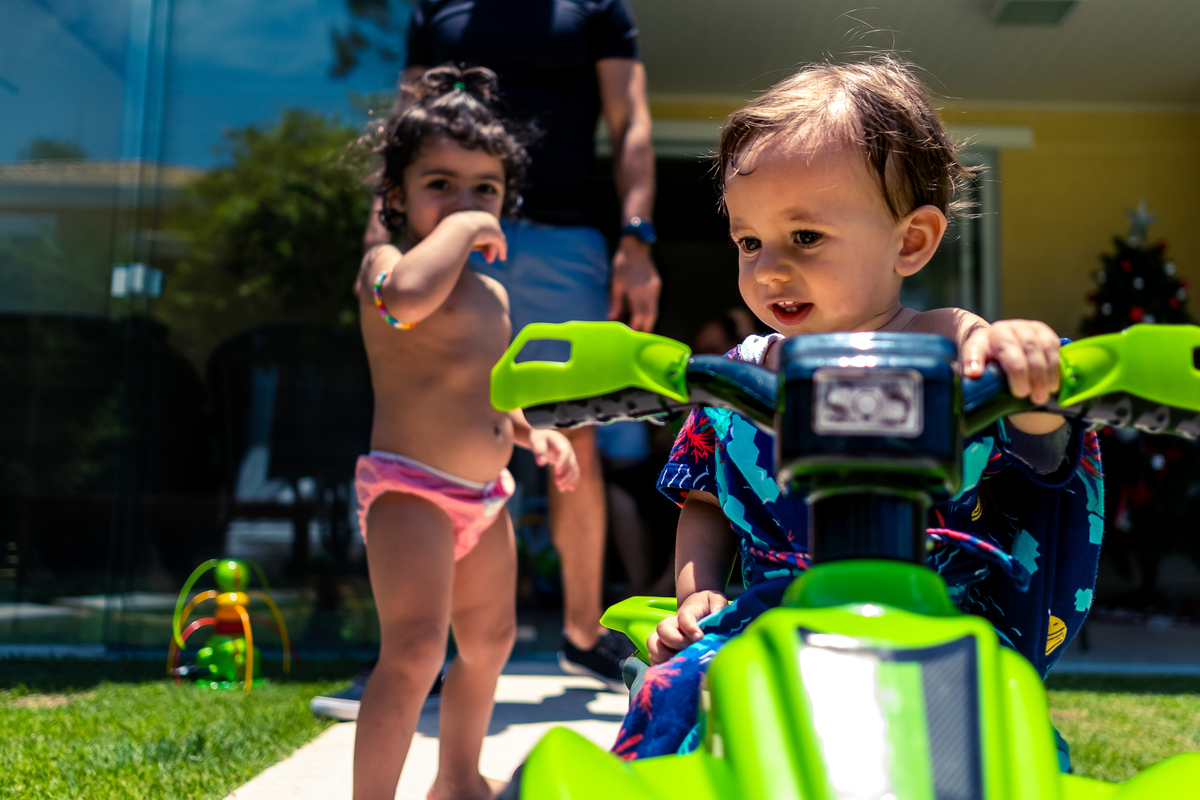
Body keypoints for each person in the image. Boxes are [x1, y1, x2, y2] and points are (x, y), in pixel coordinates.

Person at [611, 56, 1104, 764]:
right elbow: (707, 503)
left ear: (912, 241)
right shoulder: (744, 376)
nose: (769, 268)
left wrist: (1028, 372)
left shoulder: (953, 345)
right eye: (749, 242)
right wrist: (695, 597)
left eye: (804, 237)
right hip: (772, 618)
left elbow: (1040, 448)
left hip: (941, 622)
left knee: (1012, 748)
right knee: (680, 696)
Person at [362, 0, 659, 690]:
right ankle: (413, 643)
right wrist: (381, 239)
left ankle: (584, 635)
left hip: (562, 235)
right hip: (438, 233)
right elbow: (405, 129)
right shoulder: (436, 8)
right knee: (437, 413)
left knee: (572, 427)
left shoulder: (597, 8)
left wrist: (636, 237)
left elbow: (632, 121)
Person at [348, 65, 579, 800]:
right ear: (396, 196)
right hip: (409, 493)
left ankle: (456, 779)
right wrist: (462, 226)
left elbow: (488, 389)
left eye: (485, 189)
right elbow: (408, 304)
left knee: (489, 644)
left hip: (485, 497)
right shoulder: (388, 269)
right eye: (439, 185)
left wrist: (529, 431)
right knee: (414, 651)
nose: (465, 203)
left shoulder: (494, 292)